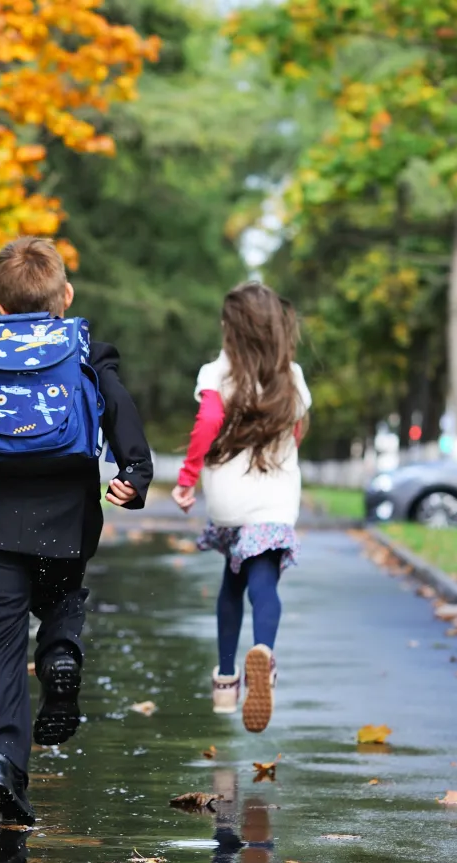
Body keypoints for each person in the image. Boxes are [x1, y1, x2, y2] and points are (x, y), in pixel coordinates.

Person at [0, 236, 153, 826]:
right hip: (66, 521)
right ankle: (61, 653)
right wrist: (133, 473)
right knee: (62, 596)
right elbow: (118, 410)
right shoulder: (87, 353)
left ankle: (2, 764)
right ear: (65, 295)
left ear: (1, 309)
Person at [171, 282, 310, 734]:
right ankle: (264, 655)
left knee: (231, 582)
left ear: (230, 329)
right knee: (263, 579)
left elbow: (208, 421)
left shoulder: (217, 373)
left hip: (230, 499)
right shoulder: (291, 374)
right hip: (275, 498)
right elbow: (298, 429)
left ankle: (227, 680)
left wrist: (188, 478)